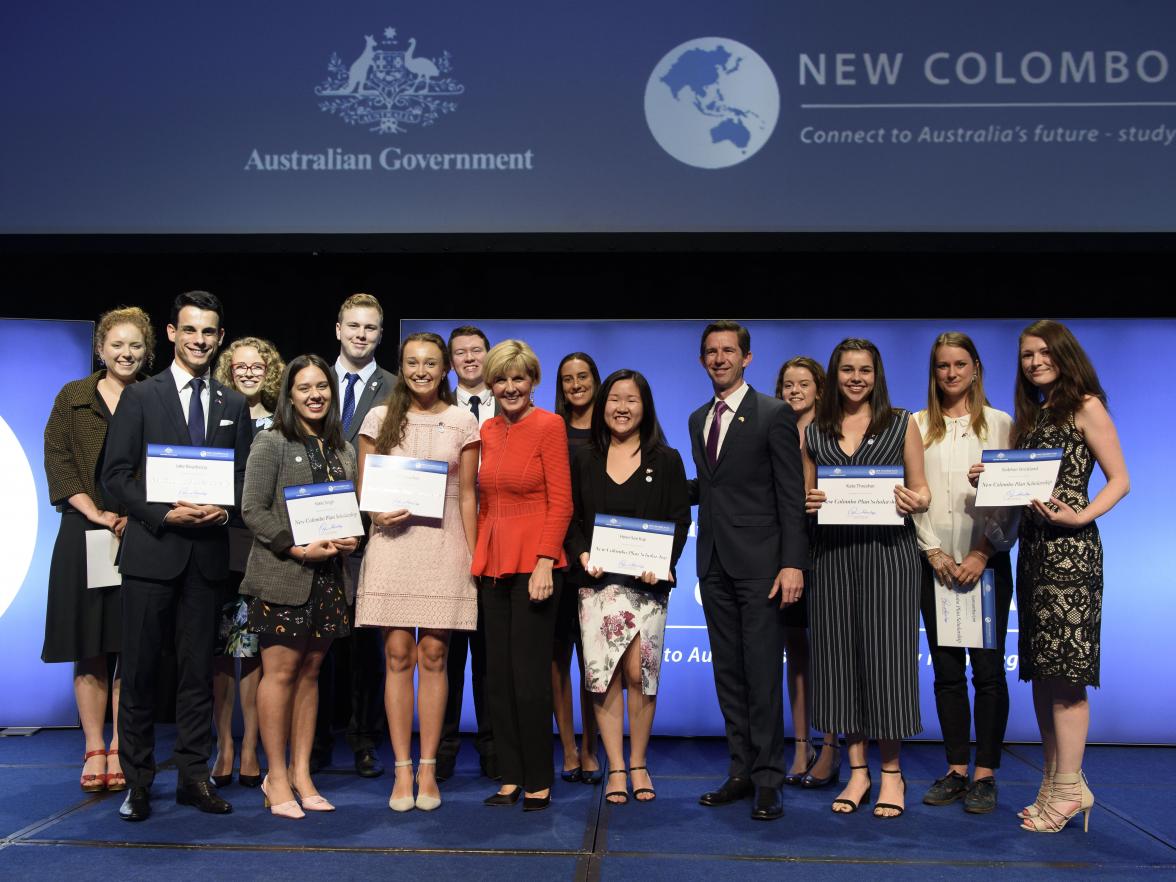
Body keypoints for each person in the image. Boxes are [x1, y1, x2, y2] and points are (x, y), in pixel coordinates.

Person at [101, 291, 252, 822]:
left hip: (207, 560)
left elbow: (242, 479)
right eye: (190, 331)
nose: (199, 341)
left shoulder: (233, 405)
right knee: (139, 674)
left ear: (219, 337)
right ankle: (137, 783)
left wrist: (222, 508)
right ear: (171, 334)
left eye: (209, 332)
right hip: (151, 554)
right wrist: (164, 514)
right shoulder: (141, 397)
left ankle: (194, 777)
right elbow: (114, 476)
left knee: (197, 677)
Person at [998, 320, 1128, 833]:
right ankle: (1056, 783)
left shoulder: (1085, 405)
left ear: (1064, 355)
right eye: (1027, 355)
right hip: (1032, 553)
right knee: (1042, 672)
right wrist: (990, 478)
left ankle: (1070, 787)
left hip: (1072, 555)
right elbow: (1021, 487)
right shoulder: (1033, 416)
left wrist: (1081, 515)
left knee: (1067, 676)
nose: (1034, 362)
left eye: (1043, 353)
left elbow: (1120, 480)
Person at [803, 338, 930, 819]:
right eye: (847, 370)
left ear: (877, 376)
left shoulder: (901, 423)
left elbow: (922, 490)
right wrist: (808, 502)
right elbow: (804, 495)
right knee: (838, 663)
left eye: (865, 371)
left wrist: (917, 501)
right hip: (833, 557)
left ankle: (892, 773)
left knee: (887, 663)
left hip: (888, 557)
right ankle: (858, 772)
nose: (856, 378)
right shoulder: (815, 430)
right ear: (834, 375)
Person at [688, 321, 808, 822]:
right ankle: (740, 770)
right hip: (713, 563)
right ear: (703, 360)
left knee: (761, 674)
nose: (720, 358)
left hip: (762, 566)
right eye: (712, 352)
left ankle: (767, 780)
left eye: (729, 351)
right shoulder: (698, 418)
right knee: (728, 674)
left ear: (747, 358)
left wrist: (792, 563)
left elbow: (790, 495)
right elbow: (710, 489)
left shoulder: (773, 413)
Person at [355, 332, 480, 812]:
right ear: (402, 367)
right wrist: (373, 515)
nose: (421, 370)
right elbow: (365, 490)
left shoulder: (462, 421)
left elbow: (467, 493)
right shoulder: (378, 418)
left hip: (445, 543)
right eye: (412, 362)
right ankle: (401, 769)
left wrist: (473, 555)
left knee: (434, 655)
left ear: (445, 367)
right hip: (392, 545)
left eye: (430, 362)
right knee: (397, 655)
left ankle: (429, 768)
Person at [240, 354, 359, 819]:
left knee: (311, 674)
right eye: (305, 388)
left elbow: (348, 509)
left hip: (330, 578)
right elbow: (253, 509)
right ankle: (277, 777)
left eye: (322, 387)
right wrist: (295, 547)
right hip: (284, 574)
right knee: (282, 675)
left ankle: (303, 774)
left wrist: (353, 535)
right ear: (289, 394)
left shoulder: (342, 448)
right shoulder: (271, 442)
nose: (315, 395)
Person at [42, 306, 154, 794]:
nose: (125, 353)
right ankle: (94, 747)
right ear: (100, 348)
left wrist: (134, 513)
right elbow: (59, 459)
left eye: (135, 345)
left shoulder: (155, 397)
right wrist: (98, 514)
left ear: (147, 351)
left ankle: (121, 747)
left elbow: (166, 463)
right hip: (84, 530)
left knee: (130, 647)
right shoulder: (73, 397)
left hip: (142, 530)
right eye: (117, 344)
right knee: (89, 648)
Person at [567, 369, 690, 804]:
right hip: (597, 586)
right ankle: (616, 767)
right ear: (603, 407)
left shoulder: (667, 459)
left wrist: (665, 563)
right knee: (606, 677)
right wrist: (582, 554)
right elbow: (572, 518)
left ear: (645, 407)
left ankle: (638, 763)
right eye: (614, 399)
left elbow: (680, 519)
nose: (622, 407)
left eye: (631, 400)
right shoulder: (584, 458)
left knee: (642, 676)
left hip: (648, 586)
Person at [912, 333, 1015, 814]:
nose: (950, 373)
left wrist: (980, 552)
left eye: (958, 364)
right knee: (948, 674)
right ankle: (956, 769)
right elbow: (909, 494)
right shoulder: (915, 425)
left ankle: (986, 774)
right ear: (933, 372)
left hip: (986, 565)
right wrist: (933, 551)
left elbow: (1013, 497)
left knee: (989, 674)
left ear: (975, 367)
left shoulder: (1000, 424)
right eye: (941, 366)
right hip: (933, 566)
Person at [474, 340, 572, 812]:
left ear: (533, 381)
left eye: (519, 378)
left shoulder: (549, 426)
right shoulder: (486, 430)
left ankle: (538, 777)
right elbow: (485, 502)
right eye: (501, 379)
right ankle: (510, 775)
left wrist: (544, 561)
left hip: (535, 565)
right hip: (492, 565)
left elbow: (562, 501)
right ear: (490, 384)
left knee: (529, 677)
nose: (510, 387)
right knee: (497, 677)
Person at [313, 293, 392, 779]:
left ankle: (365, 742)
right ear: (338, 329)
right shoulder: (313, 381)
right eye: (353, 326)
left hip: (372, 534)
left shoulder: (397, 387)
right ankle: (317, 740)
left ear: (380, 335)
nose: (361, 334)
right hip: (315, 529)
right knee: (317, 644)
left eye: (370, 328)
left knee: (366, 649)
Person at [208, 336, 284, 789]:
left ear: (270, 370)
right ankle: (225, 745)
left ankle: (253, 746)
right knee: (221, 653)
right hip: (222, 546)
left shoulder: (283, 422)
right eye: (241, 367)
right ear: (229, 371)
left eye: (258, 366)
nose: (250, 373)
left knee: (255, 654)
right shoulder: (217, 418)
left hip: (269, 551)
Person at [773, 357, 840, 789]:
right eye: (787, 384)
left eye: (803, 383)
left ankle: (832, 745)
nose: (795, 390)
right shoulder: (772, 431)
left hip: (832, 546)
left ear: (820, 387)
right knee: (795, 651)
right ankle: (801, 745)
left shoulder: (835, 433)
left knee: (832, 652)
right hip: (785, 550)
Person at [437, 325, 497, 782]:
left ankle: (495, 750)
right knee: (447, 655)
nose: (470, 359)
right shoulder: (436, 410)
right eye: (461, 353)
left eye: (477, 351)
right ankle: (443, 750)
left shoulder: (511, 406)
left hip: (498, 544)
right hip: (447, 541)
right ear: (450, 362)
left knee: (492, 657)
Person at [552, 352, 602, 784]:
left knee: (594, 661)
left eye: (582, 377)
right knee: (556, 658)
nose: (575, 385)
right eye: (567, 379)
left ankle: (591, 747)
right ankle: (567, 746)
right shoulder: (551, 430)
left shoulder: (614, 432)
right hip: (557, 559)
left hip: (602, 562)